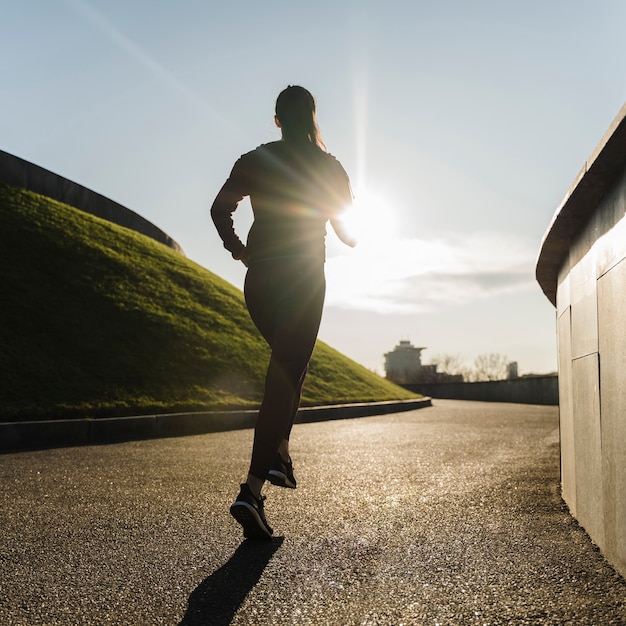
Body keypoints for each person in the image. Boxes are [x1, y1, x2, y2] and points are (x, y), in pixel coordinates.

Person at [211, 85, 356, 540]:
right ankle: (252, 490)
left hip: (260, 282)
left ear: (277, 120)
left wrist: (240, 252)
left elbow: (220, 209)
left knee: (290, 368)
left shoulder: (255, 158)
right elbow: (344, 226)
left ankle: (283, 456)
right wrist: (348, 231)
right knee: (287, 373)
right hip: (302, 280)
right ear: (313, 119)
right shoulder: (329, 166)